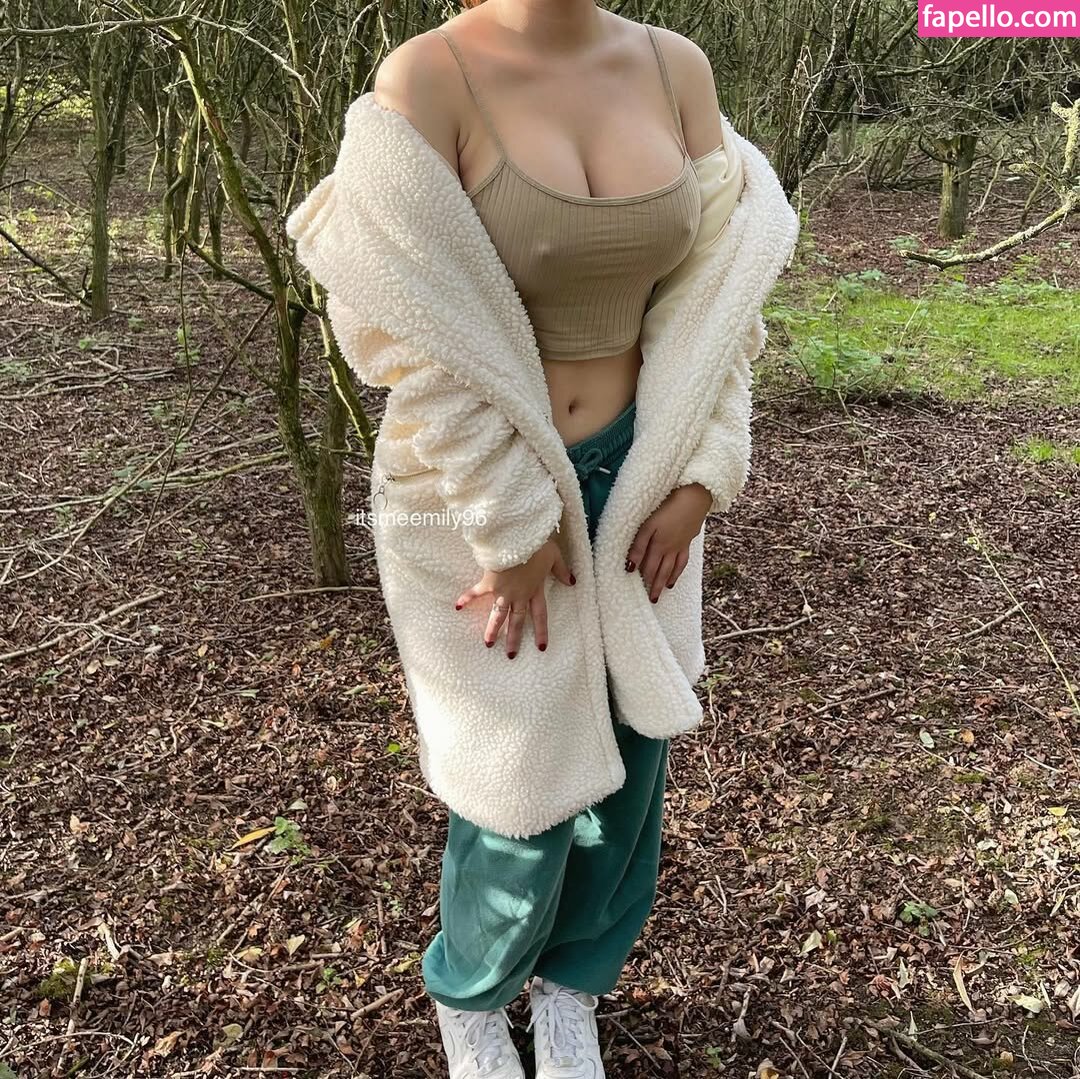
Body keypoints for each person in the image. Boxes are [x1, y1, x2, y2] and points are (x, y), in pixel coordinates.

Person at [370, 4, 737, 1077]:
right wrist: (509, 521)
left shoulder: (676, 68)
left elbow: (725, 297)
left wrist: (704, 470)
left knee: (630, 767)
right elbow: (407, 329)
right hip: (476, 493)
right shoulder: (427, 79)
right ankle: (473, 996)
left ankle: (571, 983)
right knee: (515, 783)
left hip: (642, 480)